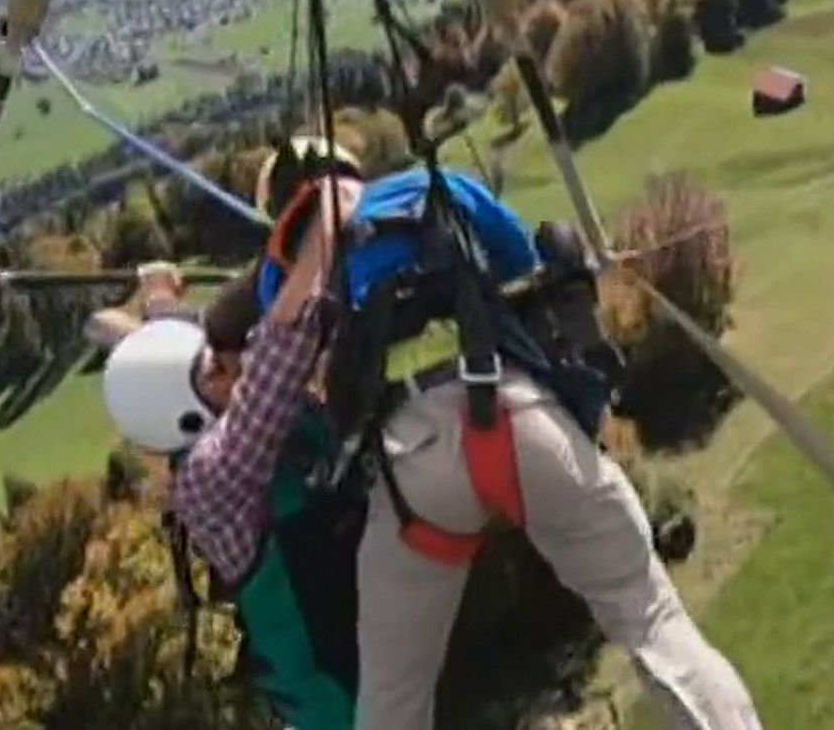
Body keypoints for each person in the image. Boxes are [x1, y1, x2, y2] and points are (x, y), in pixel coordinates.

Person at [246, 164, 762, 730]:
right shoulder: (436, 188)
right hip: (519, 416)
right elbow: (527, 272)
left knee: (390, 706)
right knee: (652, 618)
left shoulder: (283, 278)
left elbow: (298, 387)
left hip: (412, 470)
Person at [89, 213, 362, 730]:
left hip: (354, 641)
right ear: (185, 412)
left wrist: (160, 303)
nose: (228, 366)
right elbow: (279, 350)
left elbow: (139, 345)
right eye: (213, 370)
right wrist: (321, 230)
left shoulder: (194, 424)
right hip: (337, 697)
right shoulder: (212, 475)